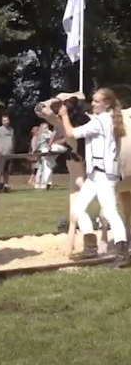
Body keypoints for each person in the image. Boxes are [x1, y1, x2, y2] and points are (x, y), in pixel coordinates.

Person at [57, 87, 130, 267]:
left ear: (107, 104)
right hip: (95, 173)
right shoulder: (106, 120)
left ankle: (123, 253)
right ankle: (91, 246)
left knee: (111, 212)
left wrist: (64, 116)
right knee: (78, 208)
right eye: (93, 100)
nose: (93, 104)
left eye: (97, 101)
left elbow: (71, 133)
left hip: (104, 174)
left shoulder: (101, 121)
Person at [0, 114, 14, 192]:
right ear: (2, 122)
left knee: (6, 172)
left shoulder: (11, 130)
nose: (6, 122)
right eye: (4, 120)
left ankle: (5, 186)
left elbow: (13, 141)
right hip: (1, 154)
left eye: (7, 120)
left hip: (9, 154)